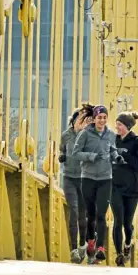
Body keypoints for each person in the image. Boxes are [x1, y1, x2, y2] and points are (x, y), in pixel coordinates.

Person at [72, 105, 125, 262]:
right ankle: (90, 241)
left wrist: (117, 157)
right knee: (91, 215)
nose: (102, 120)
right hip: (88, 178)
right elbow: (76, 154)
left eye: (104, 117)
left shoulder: (111, 135)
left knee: (101, 214)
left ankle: (100, 248)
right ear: (94, 118)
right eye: (99, 117)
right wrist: (91, 156)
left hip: (105, 179)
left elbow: (112, 150)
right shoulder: (85, 134)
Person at [57, 104, 94, 263]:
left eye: (86, 120)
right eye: (80, 118)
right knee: (73, 210)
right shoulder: (65, 135)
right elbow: (62, 151)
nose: (83, 122)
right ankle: (73, 249)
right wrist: (61, 157)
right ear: (73, 120)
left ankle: (82, 245)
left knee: (83, 215)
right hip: (69, 177)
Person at [111, 111, 138, 266]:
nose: (117, 127)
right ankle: (119, 254)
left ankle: (127, 244)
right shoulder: (112, 140)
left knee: (127, 223)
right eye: (117, 124)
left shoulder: (137, 142)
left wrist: (124, 155)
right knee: (117, 221)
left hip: (132, 188)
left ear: (127, 126)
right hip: (115, 186)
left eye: (119, 124)